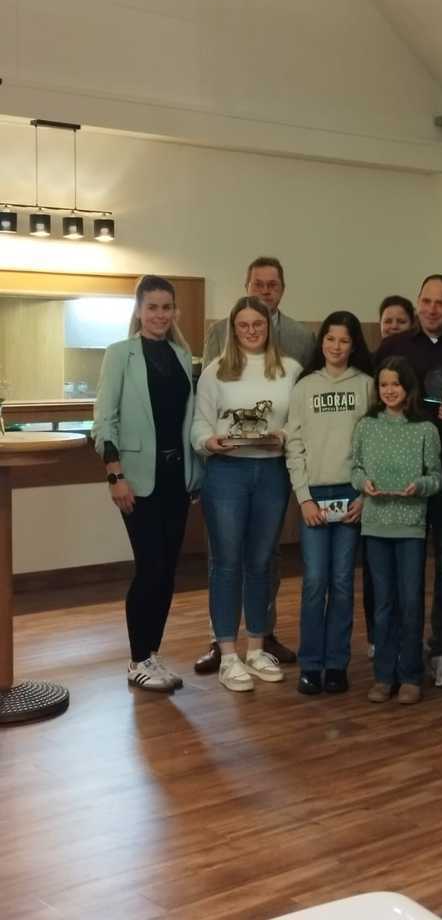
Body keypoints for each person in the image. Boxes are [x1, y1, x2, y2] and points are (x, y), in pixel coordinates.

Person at [194, 256, 315, 675]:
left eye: (257, 324)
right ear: (233, 328)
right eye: (243, 325)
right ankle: (227, 652)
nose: (250, 331)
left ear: (269, 326)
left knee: (262, 561)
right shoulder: (215, 371)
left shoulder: (291, 369)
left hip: (271, 474)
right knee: (226, 562)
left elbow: (299, 423)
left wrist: (281, 435)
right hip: (226, 473)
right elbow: (199, 425)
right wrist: (209, 441)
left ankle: (258, 647)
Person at [375, 275, 442, 689]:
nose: (432, 309)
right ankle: (405, 648)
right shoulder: (393, 347)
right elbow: (375, 400)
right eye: (426, 301)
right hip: (400, 467)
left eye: (441, 302)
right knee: (406, 561)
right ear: (417, 303)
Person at [93, 275, 201, 692]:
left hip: (177, 479)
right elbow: (105, 420)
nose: (160, 314)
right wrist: (115, 475)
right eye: (152, 307)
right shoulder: (120, 354)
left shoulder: (181, 355)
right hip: (136, 480)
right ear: (139, 310)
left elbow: (186, 420)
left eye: (166, 307)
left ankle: (152, 654)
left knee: (168, 571)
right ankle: (137, 659)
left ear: (175, 311)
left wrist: (195, 474)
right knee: (150, 568)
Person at [285, 311, 374, 696]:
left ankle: (337, 664)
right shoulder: (305, 386)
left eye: (344, 340)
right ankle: (310, 664)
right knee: (315, 581)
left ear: (354, 345)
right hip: (315, 497)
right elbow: (294, 445)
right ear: (321, 342)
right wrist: (304, 498)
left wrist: (365, 496)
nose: (336, 346)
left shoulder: (367, 385)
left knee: (341, 582)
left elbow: (374, 443)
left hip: (352, 495)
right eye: (330, 339)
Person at [351, 357, 442, 705]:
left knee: (410, 601)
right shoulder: (366, 426)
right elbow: (356, 469)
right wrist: (363, 483)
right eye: (384, 385)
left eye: (396, 384)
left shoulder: (425, 429)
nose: (389, 390)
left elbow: (437, 477)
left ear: (408, 388)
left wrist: (419, 486)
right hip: (376, 525)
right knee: (383, 602)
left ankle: (410, 676)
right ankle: (383, 675)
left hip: (410, 527)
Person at [362, 296, 419, 656]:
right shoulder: (369, 421)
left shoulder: (420, 427)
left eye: (401, 320)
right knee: (378, 582)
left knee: (409, 587)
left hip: (410, 516)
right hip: (376, 514)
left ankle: (408, 651)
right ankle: (379, 642)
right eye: (388, 320)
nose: (393, 326)